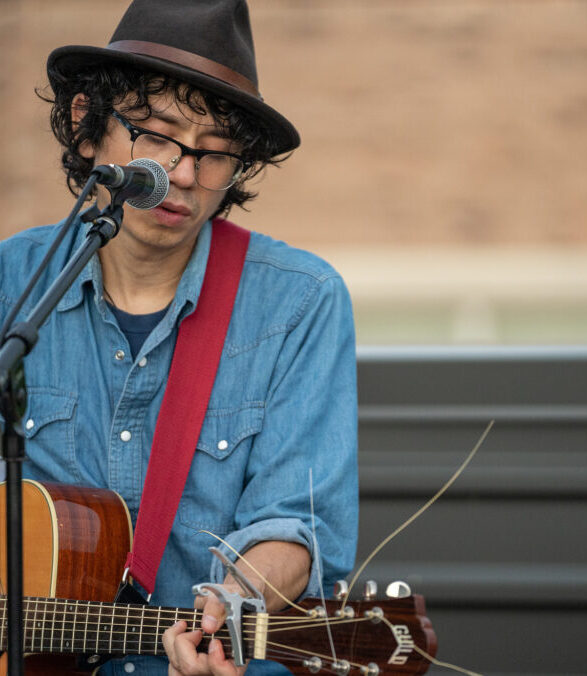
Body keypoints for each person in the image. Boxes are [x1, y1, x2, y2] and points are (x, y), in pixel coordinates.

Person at [0, 1, 358, 674]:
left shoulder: (298, 302)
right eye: (156, 134)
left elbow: (297, 526)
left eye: (216, 153)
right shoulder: (7, 286)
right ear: (87, 128)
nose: (184, 174)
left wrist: (233, 599)